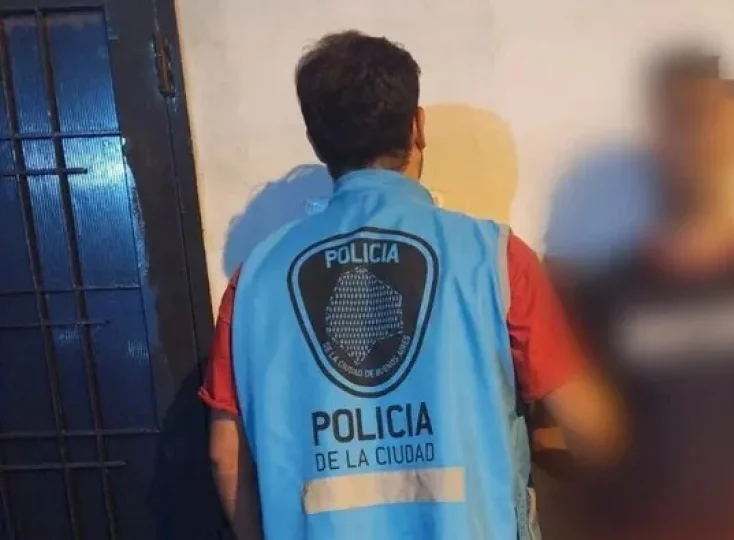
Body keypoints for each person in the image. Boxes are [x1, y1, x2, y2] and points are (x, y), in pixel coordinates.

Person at [198, 31, 622, 540]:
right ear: (417, 126)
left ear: (315, 140)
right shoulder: (496, 259)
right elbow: (590, 427)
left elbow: (225, 456)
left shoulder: (254, 281)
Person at [536, 46, 734, 540]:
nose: (699, 140)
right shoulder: (608, 295)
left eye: (711, 120)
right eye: (682, 122)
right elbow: (588, 437)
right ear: (658, 143)